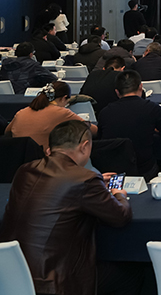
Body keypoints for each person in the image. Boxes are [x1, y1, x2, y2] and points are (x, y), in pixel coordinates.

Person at [0, 119, 132, 295]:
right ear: (84, 146)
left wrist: (97, 183)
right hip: (54, 284)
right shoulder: (84, 179)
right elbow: (120, 216)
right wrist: (119, 194)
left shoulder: (24, 170)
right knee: (133, 274)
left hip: (10, 278)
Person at [97, 69, 161, 179]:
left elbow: (102, 138)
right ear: (141, 87)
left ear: (117, 92)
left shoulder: (105, 112)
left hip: (113, 173)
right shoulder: (152, 108)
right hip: (144, 171)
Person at [6, 82, 97, 148]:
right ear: (64, 98)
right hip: (44, 161)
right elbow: (93, 130)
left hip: (18, 160)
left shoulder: (21, 112)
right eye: (67, 102)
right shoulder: (62, 112)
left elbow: (7, 132)